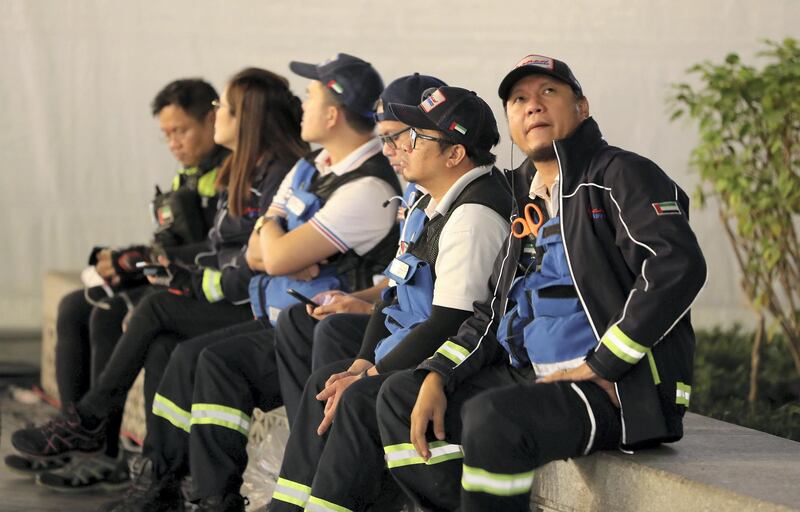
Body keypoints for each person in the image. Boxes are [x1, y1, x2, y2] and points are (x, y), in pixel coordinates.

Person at [376, 54, 708, 512]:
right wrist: (437, 371)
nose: (533, 106)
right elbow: (489, 312)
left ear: (582, 107)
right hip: (539, 375)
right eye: (519, 99)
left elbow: (677, 266)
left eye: (548, 93)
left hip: (619, 390)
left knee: (492, 418)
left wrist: (607, 363)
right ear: (511, 123)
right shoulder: (524, 202)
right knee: (400, 394)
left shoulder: (620, 175)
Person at [107, 54, 401, 512]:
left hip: (323, 332)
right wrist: (275, 234)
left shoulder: (369, 188)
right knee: (209, 361)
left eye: (311, 95)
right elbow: (262, 252)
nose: (301, 104)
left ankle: (96, 426)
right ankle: (210, 499)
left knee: (182, 337)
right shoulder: (313, 163)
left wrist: (276, 239)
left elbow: (275, 253)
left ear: (333, 113)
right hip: (286, 317)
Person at [11, 68, 297, 480]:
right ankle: (145, 468)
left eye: (223, 111)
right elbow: (224, 250)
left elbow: (254, 256)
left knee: (140, 313)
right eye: (166, 134)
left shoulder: (273, 172)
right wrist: (143, 262)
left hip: (252, 302)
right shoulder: (243, 168)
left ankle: (96, 435)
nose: (173, 142)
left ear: (246, 118)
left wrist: (153, 265)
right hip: (221, 287)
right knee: (102, 312)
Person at [268, 86, 513, 512]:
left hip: (461, 362)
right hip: (413, 346)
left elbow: (451, 323)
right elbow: (395, 290)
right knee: (325, 383)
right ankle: (287, 506)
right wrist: (363, 363)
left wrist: (370, 376)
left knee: (359, 397)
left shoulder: (474, 215)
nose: (399, 145)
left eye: (415, 136)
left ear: (454, 154)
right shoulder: (427, 202)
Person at [3, 78, 227, 492]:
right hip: (177, 279)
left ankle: (102, 451)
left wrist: (139, 260)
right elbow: (175, 240)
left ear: (213, 118)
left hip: (206, 290)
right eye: (166, 135)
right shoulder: (189, 175)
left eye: (181, 131)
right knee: (75, 304)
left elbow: (222, 247)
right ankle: (76, 442)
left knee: (109, 313)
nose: (174, 143)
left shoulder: (233, 171)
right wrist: (127, 259)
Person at [274, 73, 447, 426]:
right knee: (305, 319)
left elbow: (447, 313)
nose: (387, 150)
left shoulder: (465, 204)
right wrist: (359, 300)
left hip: (424, 334)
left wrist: (367, 360)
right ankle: (310, 443)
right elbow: (398, 281)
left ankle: (325, 444)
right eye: (382, 138)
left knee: (333, 336)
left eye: (395, 137)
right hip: (400, 320)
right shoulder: (414, 194)